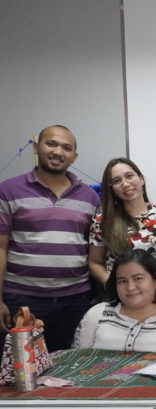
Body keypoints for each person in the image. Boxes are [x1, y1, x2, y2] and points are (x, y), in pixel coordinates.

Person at [0, 125, 100, 350]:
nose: (58, 152)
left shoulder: (90, 197)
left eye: (66, 148)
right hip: (22, 299)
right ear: (37, 146)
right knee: (22, 374)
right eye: (51, 144)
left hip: (75, 300)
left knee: (69, 372)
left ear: (74, 157)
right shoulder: (8, 190)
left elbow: (94, 249)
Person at [73, 249, 156, 352]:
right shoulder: (97, 314)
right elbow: (76, 362)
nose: (130, 287)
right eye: (122, 281)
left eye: (138, 278)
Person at [89, 158, 156, 285]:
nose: (125, 184)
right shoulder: (103, 219)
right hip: (121, 294)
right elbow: (95, 262)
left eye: (129, 176)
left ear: (141, 179)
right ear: (112, 188)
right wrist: (111, 285)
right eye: (116, 181)